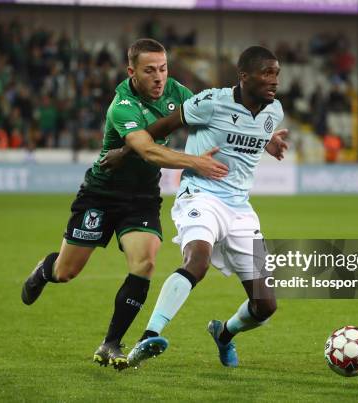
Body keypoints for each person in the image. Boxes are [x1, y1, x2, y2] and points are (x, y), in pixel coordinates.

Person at [20, 39, 228, 370]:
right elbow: (147, 150)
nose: (159, 77)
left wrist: (264, 135)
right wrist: (195, 162)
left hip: (142, 198)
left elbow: (217, 115)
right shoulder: (122, 105)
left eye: (163, 69)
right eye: (149, 71)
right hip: (101, 195)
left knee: (144, 263)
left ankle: (112, 343)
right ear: (132, 72)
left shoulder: (177, 93)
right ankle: (46, 270)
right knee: (67, 271)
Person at [125, 46, 288, 369]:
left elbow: (253, 129)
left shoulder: (275, 112)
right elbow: (163, 127)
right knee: (196, 261)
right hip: (200, 194)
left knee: (265, 305)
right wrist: (126, 150)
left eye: (277, 74)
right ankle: (148, 336)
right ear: (244, 77)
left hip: (240, 209)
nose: (274, 81)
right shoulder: (211, 102)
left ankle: (224, 334)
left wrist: (269, 142)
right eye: (267, 73)